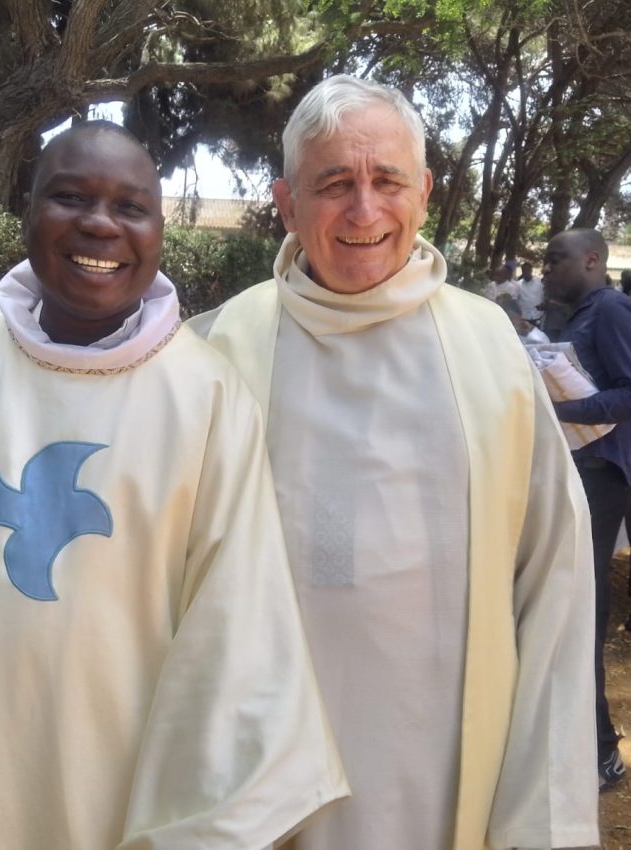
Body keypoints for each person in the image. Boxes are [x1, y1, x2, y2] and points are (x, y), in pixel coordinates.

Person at [189, 75, 599, 850]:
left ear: (427, 191)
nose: (364, 211)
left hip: (445, 764)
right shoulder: (219, 348)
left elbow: (558, 581)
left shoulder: (491, 353)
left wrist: (541, 812)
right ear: (286, 202)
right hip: (257, 770)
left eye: (388, 182)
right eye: (335, 184)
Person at [0, 121, 349, 850]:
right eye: (69, 196)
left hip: (133, 777)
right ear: (28, 212)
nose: (100, 223)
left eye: (131, 206)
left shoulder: (208, 397)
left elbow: (239, 622)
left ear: (159, 231)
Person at [542, 227, 631, 792]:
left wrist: (564, 409)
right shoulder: (574, 315)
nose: (546, 269)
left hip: (600, 478)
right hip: (573, 474)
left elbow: (627, 393)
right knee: (561, 606)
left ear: (593, 260)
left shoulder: (614, 309)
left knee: (586, 608)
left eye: (556, 259)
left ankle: (602, 753)